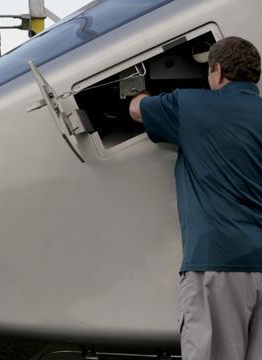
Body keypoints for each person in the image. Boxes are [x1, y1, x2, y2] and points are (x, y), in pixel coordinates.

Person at [129, 36, 262, 360]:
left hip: (217, 262)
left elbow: (136, 110)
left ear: (215, 71)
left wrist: (143, 91)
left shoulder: (189, 105)